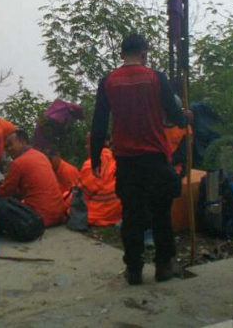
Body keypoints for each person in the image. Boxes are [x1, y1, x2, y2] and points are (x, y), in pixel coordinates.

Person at [90, 34, 189, 285]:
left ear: (122, 54)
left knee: (132, 216)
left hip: (126, 161)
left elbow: (99, 122)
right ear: (144, 53)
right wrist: (186, 117)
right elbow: (175, 115)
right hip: (155, 158)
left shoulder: (108, 82)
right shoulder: (157, 78)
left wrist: (95, 157)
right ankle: (164, 266)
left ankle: (134, 269)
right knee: (161, 214)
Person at [0, 130, 66, 227]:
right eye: (6, 147)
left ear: (23, 142)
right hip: (59, 215)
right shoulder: (41, 156)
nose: (9, 149)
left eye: (10, 144)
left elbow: (6, 191)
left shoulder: (18, 162)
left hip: (39, 218)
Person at [78, 133, 122, 226]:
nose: (86, 147)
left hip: (99, 212)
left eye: (87, 143)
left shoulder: (91, 164)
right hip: (118, 212)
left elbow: (82, 195)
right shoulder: (114, 158)